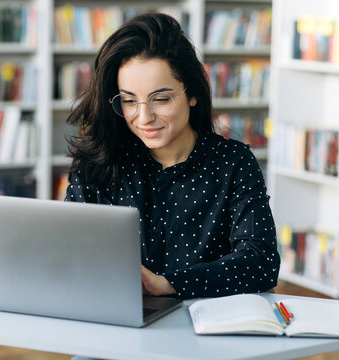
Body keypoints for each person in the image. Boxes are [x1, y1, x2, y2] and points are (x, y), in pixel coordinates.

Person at [64, 12, 280, 300]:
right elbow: (67, 251)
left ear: (192, 93)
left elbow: (261, 263)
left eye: (161, 99)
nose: (144, 117)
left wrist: (168, 284)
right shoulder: (97, 162)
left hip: (202, 328)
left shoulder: (234, 163)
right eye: (129, 101)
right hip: (110, 323)